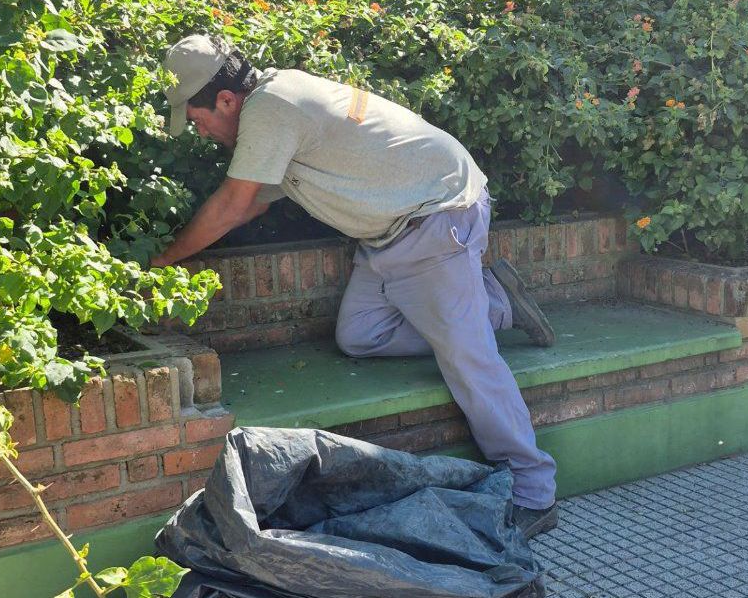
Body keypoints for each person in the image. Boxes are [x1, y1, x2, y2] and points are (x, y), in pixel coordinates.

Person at [153, 34, 560, 537]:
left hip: (434, 215)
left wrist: (162, 260)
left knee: (467, 358)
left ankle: (534, 491)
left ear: (226, 100)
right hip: (389, 231)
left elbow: (234, 205)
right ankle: (497, 306)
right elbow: (255, 201)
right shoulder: (277, 100)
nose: (203, 133)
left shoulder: (271, 109)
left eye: (198, 121)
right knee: (361, 335)